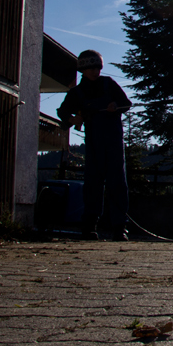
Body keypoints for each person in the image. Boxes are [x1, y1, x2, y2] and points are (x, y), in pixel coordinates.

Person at [57, 50, 132, 241]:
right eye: (90, 68)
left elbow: (126, 103)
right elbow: (63, 112)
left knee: (117, 184)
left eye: (97, 67)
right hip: (93, 144)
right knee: (93, 185)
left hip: (114, 143)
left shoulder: (109, 84)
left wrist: (116, 105)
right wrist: (74, 119)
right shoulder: (76, 92)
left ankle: (120, 228)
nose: (94, 71)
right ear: (82, 69)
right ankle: (89, 227)